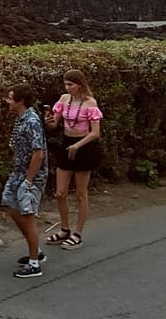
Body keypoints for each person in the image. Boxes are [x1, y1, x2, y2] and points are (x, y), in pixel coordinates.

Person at [43, 69, 103, 250]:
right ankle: (64, 229)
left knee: (80, 193)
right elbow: (55, 124)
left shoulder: (90, 103)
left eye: (71, 84)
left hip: (83, 147)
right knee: (60, 193)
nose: (68, 88)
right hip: (67, 143)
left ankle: (78, 233)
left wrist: (78, 145)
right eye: (66, 84)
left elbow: (95, 133)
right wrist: (49, 121)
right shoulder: (63, 100)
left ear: (80, 84)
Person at [3, 83, 48, 278]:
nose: (7, 101)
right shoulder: (21, 119)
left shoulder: (31, 121)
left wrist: (29, 181)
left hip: (30, 175)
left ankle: (34, 263)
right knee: (12, 207)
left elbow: (38, 153)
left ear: (20, 101)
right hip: (18, 172)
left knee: (27, 215)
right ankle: (35, 250)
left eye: (11, 98)